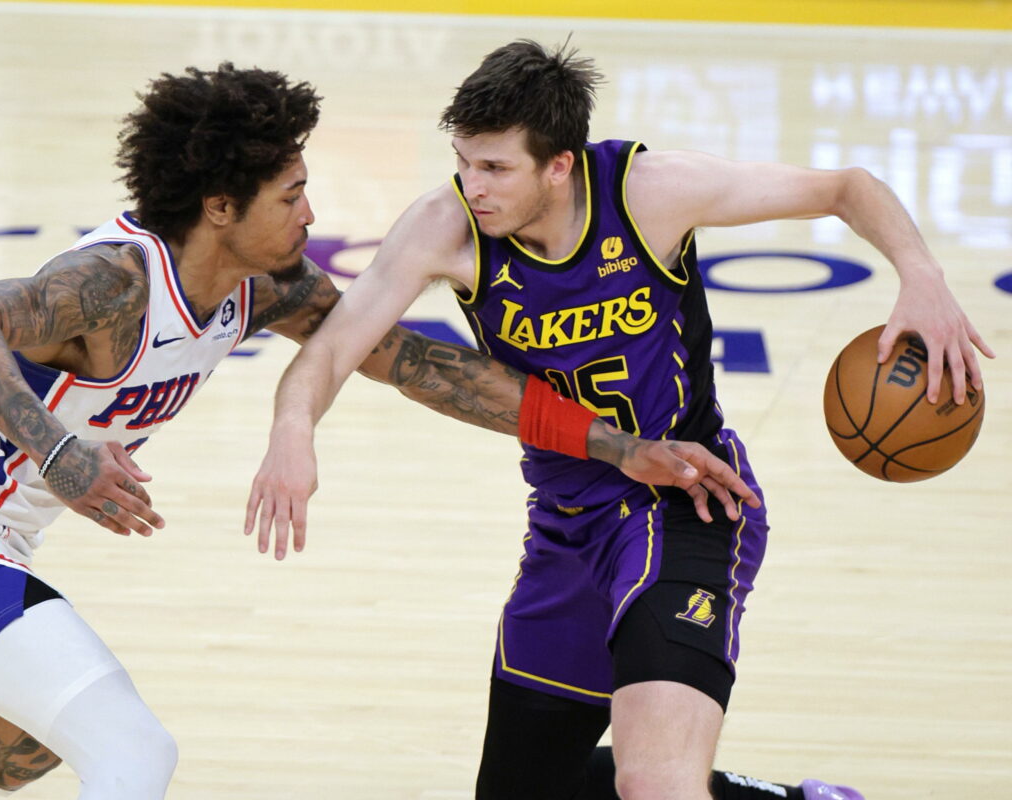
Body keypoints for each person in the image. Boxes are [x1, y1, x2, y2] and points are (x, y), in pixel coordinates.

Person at [0, 62, 765, 800]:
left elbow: (419, 364)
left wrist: (614, 446)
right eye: (290, 196)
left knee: (20, 752)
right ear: (219, 208)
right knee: (133, 751)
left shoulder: (265, 286)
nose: (312, 214)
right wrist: (60, 451)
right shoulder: (115, 283)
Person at [246, 40, 993, 800]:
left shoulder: (651, 194)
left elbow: (847, 188)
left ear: (559, 165)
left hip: (688, 500)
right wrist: (292, 429)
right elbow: (332, 347)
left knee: (654, 784)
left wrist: (923, 277)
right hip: (566, 523)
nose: (473, 186)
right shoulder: (444, 225)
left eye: (496, 167)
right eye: (464, 161)